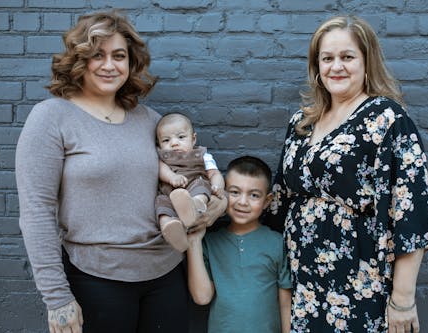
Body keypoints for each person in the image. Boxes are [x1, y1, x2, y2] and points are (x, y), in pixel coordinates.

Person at [15, 11, 226, 333]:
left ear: (132, 62)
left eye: (119, 55)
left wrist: (213, 205)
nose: (109, 65)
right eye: (97, 55)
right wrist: (56, 298)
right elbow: (36, 211)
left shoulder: (149, 120)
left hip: (166, 275)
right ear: (78, 59)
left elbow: (191, 172)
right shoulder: (51, 118)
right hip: (96, 279)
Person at [265, 15, 428, 333]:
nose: (336, 67)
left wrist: (403, 300)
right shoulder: (301, 123)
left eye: (347, 57)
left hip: (360, 281)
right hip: (303, 281)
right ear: (316, 66)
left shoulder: (386, 119)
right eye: (327, 58)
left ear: (366, 61)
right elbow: (280, 201)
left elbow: (411, 214)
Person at [187, 156, 292, 333]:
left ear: (267, 201)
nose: (243, 202)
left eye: (254, 195)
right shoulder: (211, 242)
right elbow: (202, 297)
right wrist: (194, 241)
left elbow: (285, 304)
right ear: (223, 194)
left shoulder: (277, 243)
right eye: (235, 192)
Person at [155, 112, 225, 252]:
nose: (174, 143)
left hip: (194, 186)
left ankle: (194, 205)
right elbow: (161, 169)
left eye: (181, 137)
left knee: (202, 185)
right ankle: (170, 229)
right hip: (169, 193)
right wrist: (172, 178)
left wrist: (218, 186)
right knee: (161, 204)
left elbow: (214, 173)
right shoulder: (162, 157)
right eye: (166, 140)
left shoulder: (202, 155)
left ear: (193, 139)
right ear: (159, 144)